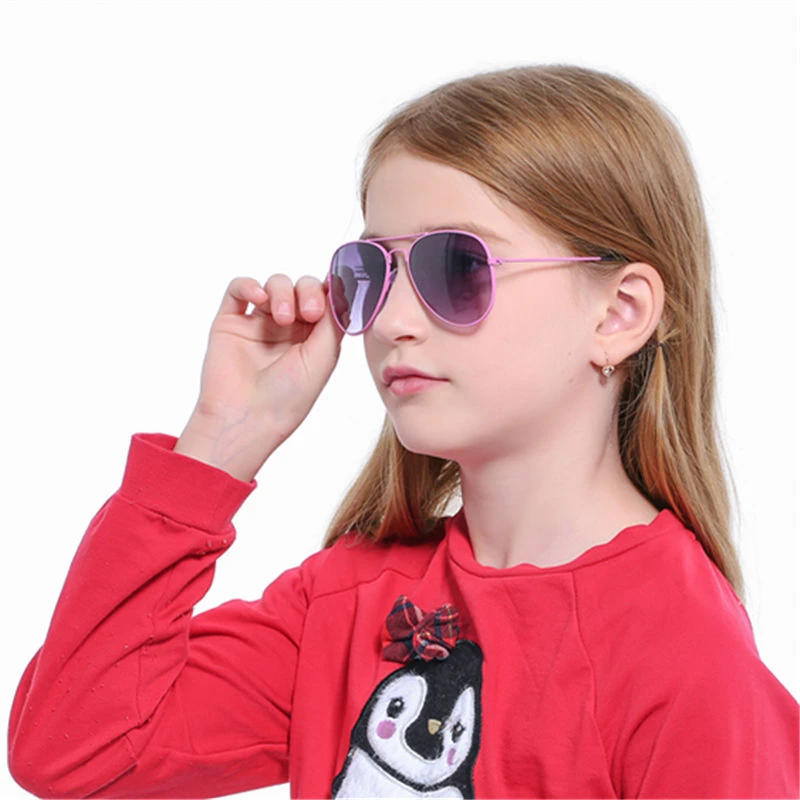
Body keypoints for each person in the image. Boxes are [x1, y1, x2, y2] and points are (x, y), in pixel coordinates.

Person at [8, 64, 799, 800]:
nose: (390, 321)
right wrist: (221, 441)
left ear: (619, 313)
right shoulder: (348, 601)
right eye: (374, 271)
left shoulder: (685, 658)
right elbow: (71, 751)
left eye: (458, 269)